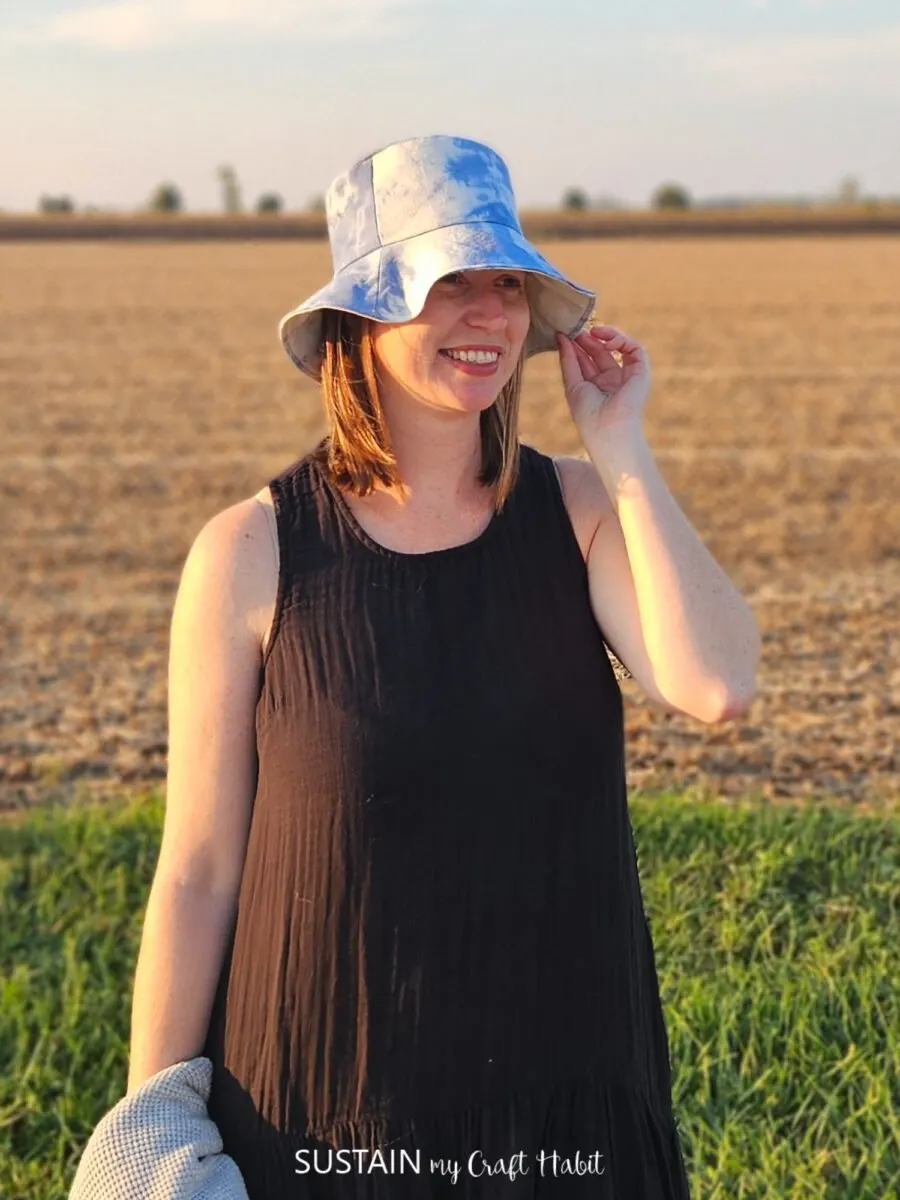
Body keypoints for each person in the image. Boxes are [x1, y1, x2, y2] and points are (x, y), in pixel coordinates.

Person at [127, 133, 757, 1197]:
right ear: (363, 320)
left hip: (566, 1111)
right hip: (322, 1121)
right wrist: (144, 1144)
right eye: (446, 284)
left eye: (506, 283)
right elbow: (196, 872)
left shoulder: (575, 513)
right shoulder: (249, 552)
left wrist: (623, 448)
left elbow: (717, 684)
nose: (490, 315)